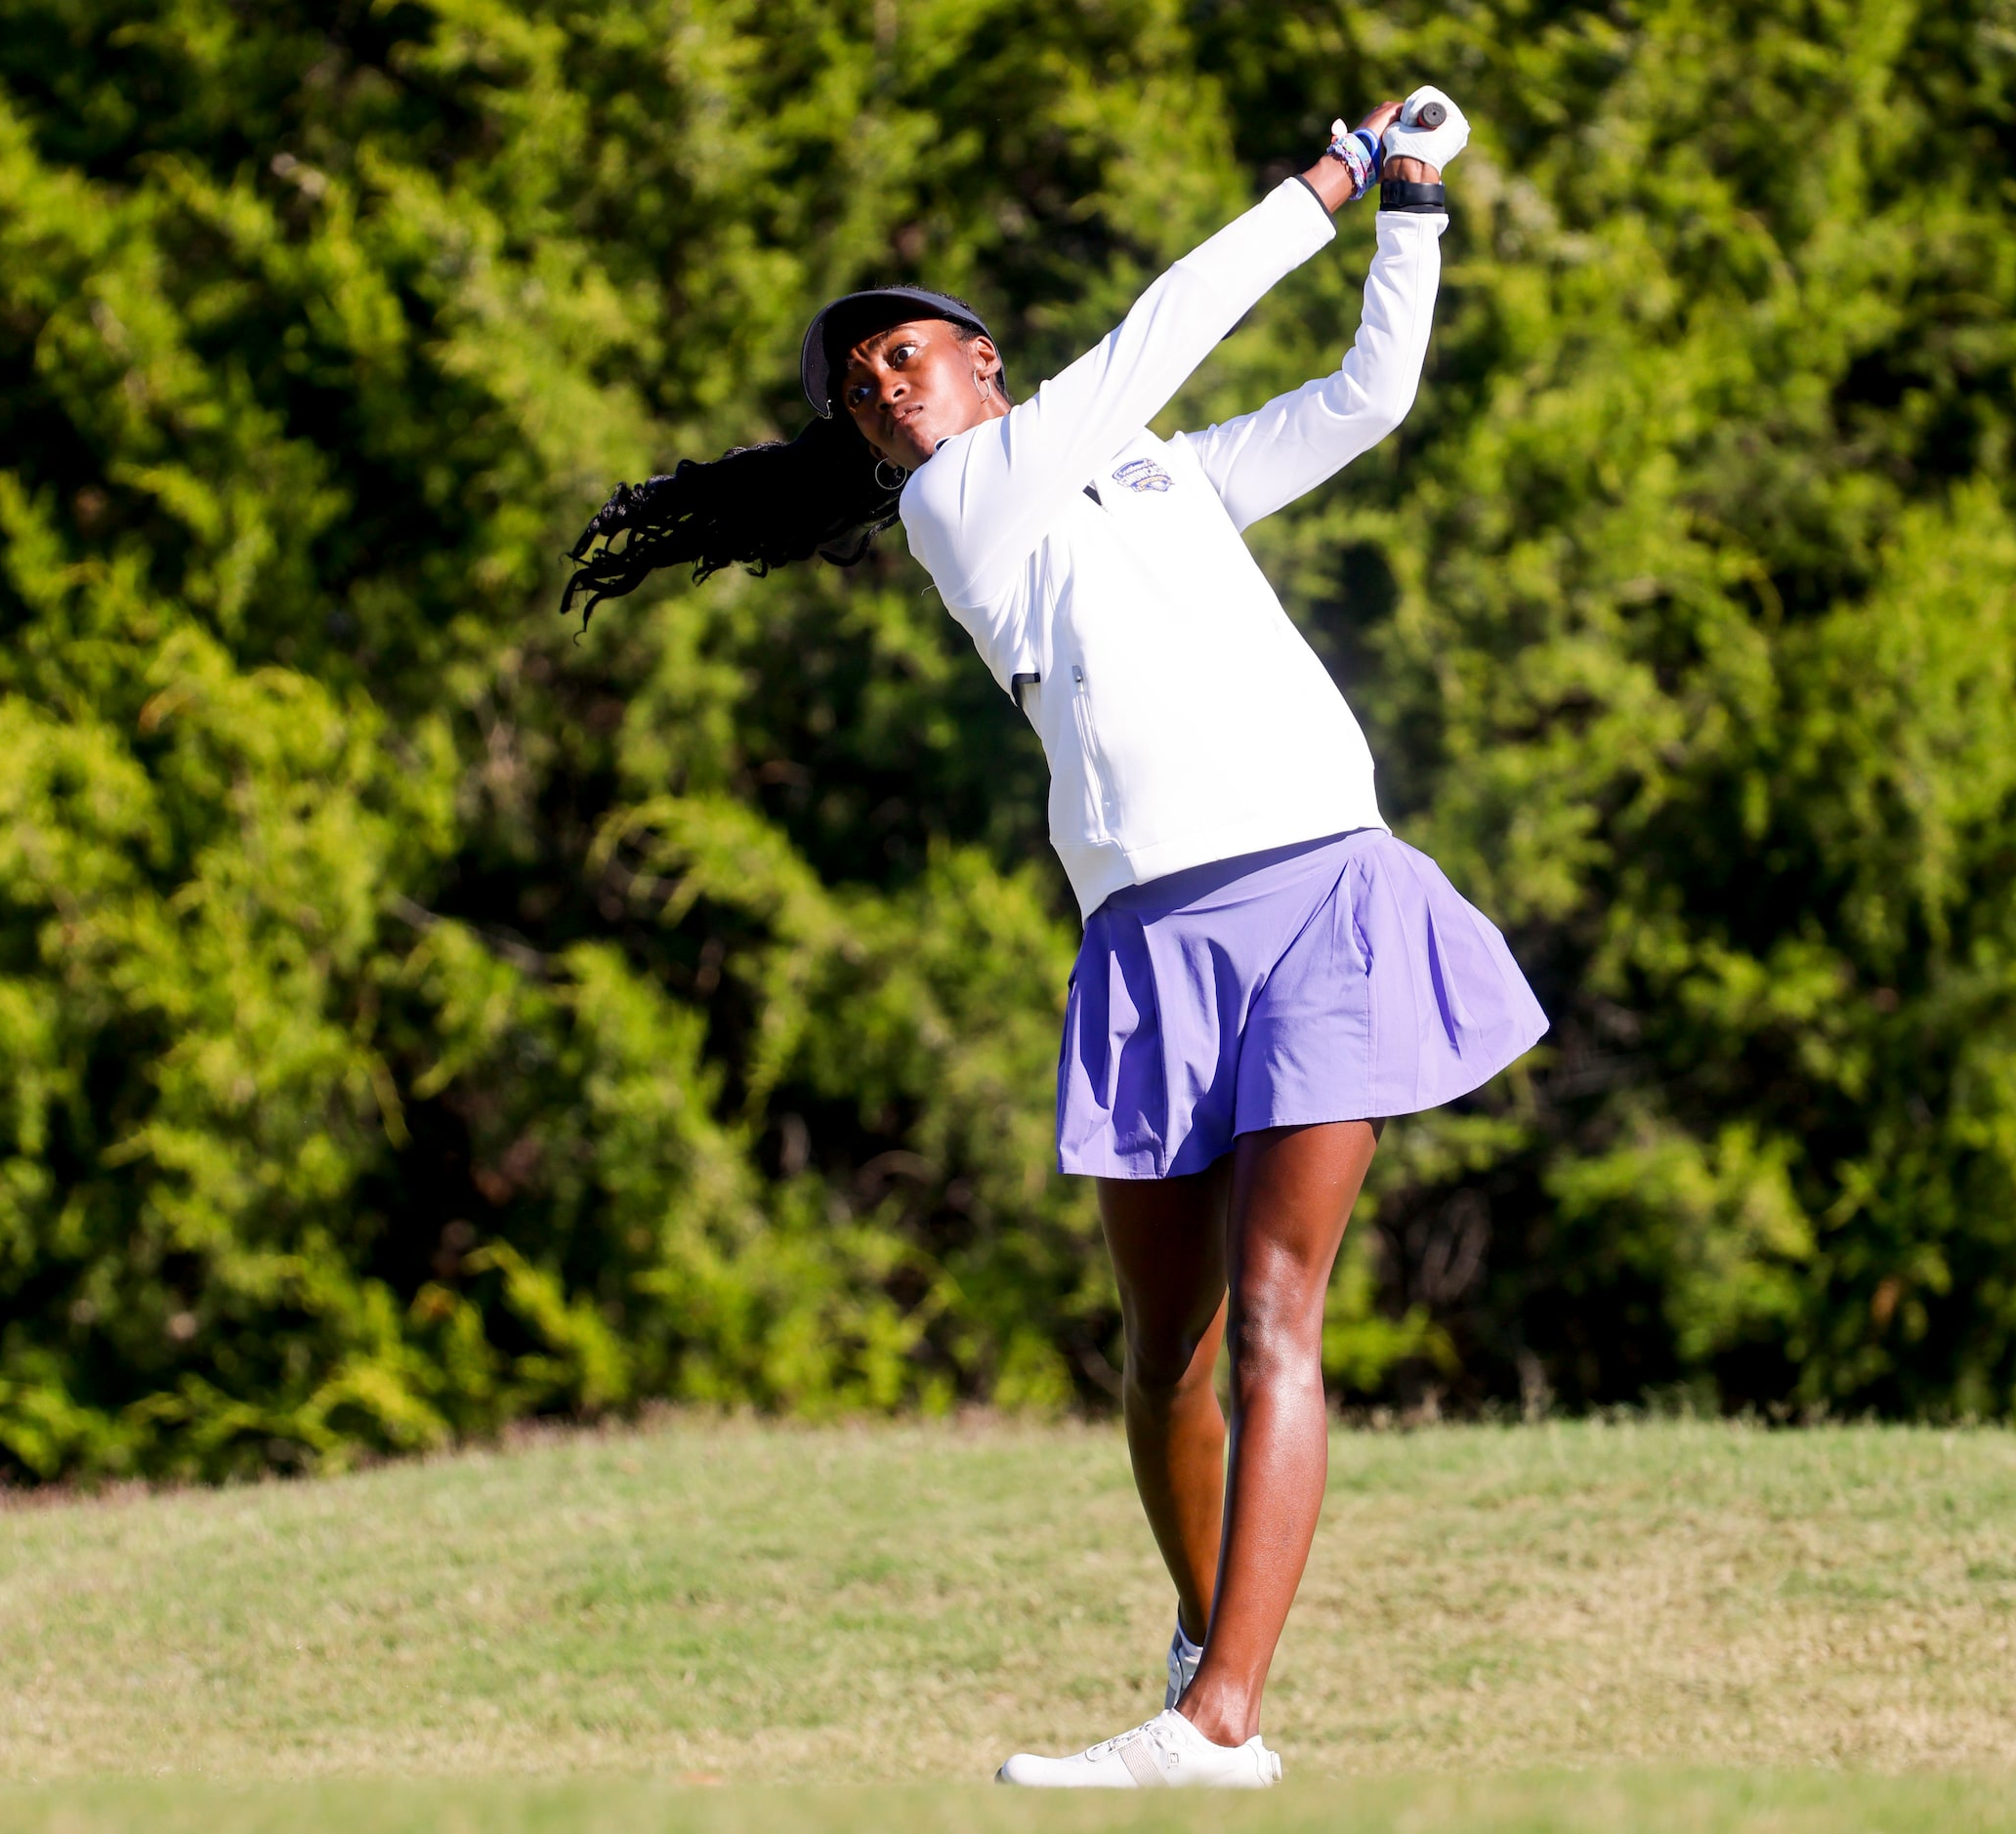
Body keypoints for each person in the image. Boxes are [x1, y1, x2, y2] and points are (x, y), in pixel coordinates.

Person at [563, 88, 1541, 1790]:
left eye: (904, 352)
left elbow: (1370, 397)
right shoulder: (970, 508)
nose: (877, 379)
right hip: (1153, 936)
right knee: (1161, 1349)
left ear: (978, 358)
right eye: (857, 382)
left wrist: (1410, 207)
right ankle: (1202, 1635)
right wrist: (1322, 174)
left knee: (1270, 1313)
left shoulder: (1153, 477)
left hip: (1323, 883)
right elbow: (1154, 336)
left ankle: (1219, 1721)